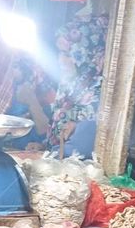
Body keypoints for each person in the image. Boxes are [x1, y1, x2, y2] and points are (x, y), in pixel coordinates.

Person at [46, 13, 108, 157]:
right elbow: (60, 135)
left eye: (67, 54)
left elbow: (79, 150)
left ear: (87, 54)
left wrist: (47, 157)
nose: (60, 60)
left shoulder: (99, 96)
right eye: (60, 53)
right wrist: (44, 146)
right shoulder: (70, 87)